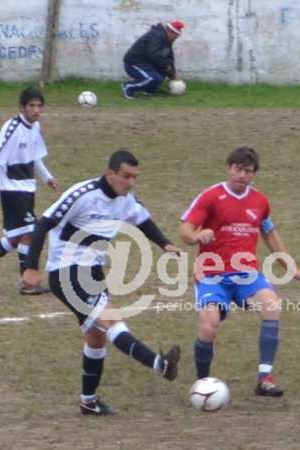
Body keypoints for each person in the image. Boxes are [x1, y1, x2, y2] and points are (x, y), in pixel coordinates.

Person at [21, 150, 182, 416]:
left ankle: (89, 401)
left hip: (92, 272)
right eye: (126, 176)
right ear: (110, 174)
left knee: (96, 337)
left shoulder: (126, 200)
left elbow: (143, 221)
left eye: (135, 177)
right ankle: (159, 365)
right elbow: (43, 224)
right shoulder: (82, 195)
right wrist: (30, 267)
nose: (130, 182)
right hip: (67, 272)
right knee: (111, 321)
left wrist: (165, 243)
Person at [179, 145, 300, 397]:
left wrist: (292, 268)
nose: (242, 175)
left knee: (271, 306)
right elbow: (185, 230)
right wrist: (197, 236)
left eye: (248, 171)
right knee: (209, 324)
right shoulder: (210, 196)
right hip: (212, 275)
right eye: (238, 169)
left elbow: (269, 233)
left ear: (254, 174)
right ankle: (203, 384)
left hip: (246, 275)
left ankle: (265, 379)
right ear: (229, 168)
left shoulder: (260, 201)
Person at [0, 87, 59, 295]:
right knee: (31, 233)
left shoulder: (35, 127)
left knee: (15, 238)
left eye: (39, 106)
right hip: (11, 189)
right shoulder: (11, 128)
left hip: (27, 188)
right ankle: (27, 283)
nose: (36, 110)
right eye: (31, 106)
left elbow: (35, 158)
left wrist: (47, 178)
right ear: (22, 107)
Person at [121, 20, 184, 100]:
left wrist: (172, 75)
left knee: (162, 73)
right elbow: (154, 55)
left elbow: (169, 58)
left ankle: (148, 89)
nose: (175, 39)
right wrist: (167, 67)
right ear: (169, 31)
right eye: (175, 37)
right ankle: (129, 86)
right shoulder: (157, 36)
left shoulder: (167, 40)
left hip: (145, 64)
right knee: (154, 78)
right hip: (134, 64)